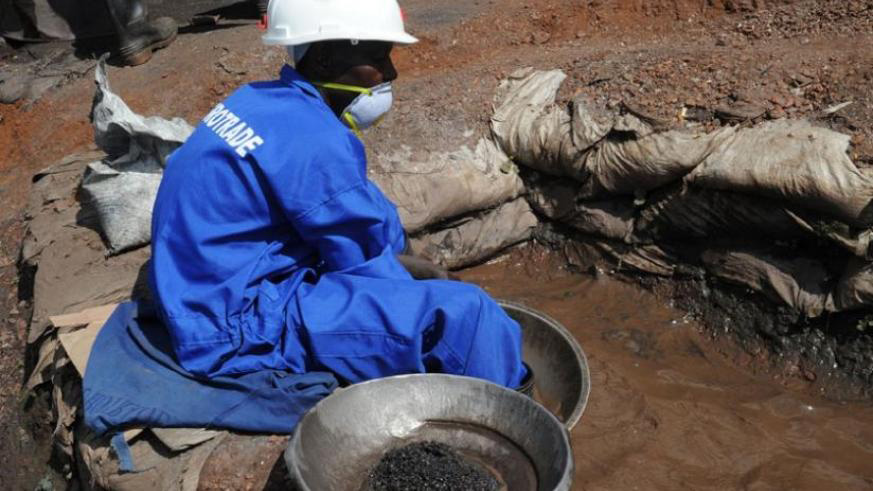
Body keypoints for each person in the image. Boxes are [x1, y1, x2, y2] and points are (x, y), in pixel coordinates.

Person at [148, 0, 528, 389]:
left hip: (197, 289)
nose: (391, 72)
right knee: (466, 317)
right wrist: (424, 278)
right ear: (327, 58)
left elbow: (359, 208)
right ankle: (515, 413)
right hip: (232, 325)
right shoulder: (315, 142)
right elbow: (364, 263)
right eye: (378, 57)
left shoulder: (258, 100)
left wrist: (404, 257)